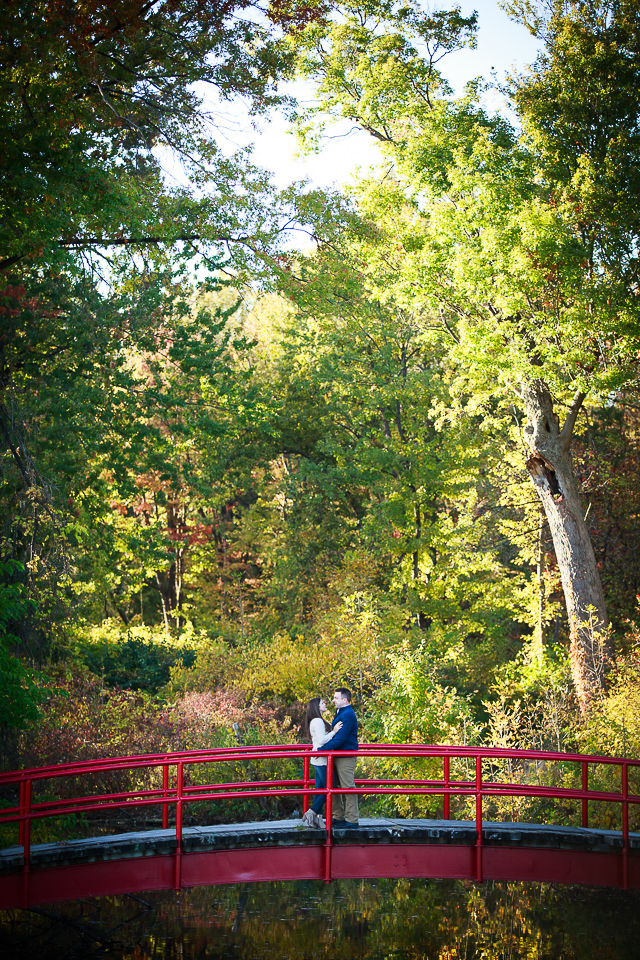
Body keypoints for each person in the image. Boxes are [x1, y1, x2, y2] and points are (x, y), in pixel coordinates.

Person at [315, 687, 359, 828]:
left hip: (346, 756)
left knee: (347, 787)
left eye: (336, 698)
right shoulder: (340, 712)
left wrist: (321, 750)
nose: (333, 700)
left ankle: (352, 820)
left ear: (344, 699)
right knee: (333, 785)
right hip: (336, 754)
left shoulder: (348, 715)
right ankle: (338, 816)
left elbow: (340, 738)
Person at [302, 697, 342, 828]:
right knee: (329, 788)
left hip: (317, 758)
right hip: (322, 759)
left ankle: (318, 819)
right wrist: (334, 732)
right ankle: (311, 812)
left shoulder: (315, 720)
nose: (325, 704)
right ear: (317, 707)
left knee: (319, 789)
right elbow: (322, 740)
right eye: (322, 703)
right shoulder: (318, 721)